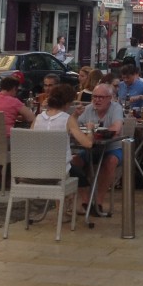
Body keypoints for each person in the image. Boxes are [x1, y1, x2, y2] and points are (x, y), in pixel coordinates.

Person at [34, 83, 95, 216]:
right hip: (58, 173)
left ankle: (62, 208)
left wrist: (75, 116)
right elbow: (88, 144)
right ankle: (77, 205)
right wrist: (90, 129)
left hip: (36, 171)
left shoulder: (38, 118)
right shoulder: (67, 119)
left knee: (71, 166)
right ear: (68, 103)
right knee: (77, 171)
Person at [76, 82, 124, 218]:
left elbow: (116, 128)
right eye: (94, 97)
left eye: (101, 97)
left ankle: (98, 202)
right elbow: (75, 127)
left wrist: (94, 131)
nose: (97, 100)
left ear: (110, 98)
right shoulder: (88, 109)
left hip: (112, 147)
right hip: (91, 149)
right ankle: (86, 201)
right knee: (73, 162)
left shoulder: (116, 108)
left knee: (110, 161)